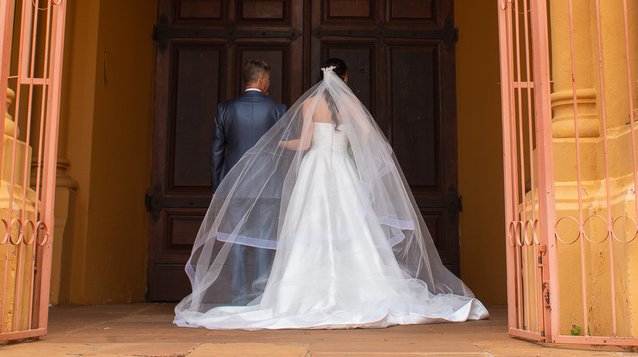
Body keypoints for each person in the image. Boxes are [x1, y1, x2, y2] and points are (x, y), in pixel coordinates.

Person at [175, 58, 487, 329]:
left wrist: (272, 145)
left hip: (315, 169)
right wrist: (350, 150)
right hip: (341, 167)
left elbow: (305, 143)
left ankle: (290, 293)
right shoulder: (350, 104)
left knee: (309, 226)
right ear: (345, 78)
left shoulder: (310, 104)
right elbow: (366, 134)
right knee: (352, 227)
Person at [209, 58, 287, 303]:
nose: (269, 84)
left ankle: (238, 295)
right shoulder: (278, 109)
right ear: (262, 79)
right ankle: (261, 295)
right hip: (268, 186)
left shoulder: (225, 108)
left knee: (236, 241)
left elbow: (216, 150)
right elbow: (285, 150)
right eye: (269, 80)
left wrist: (217, 186)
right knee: (264, 240)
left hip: (234, 185)